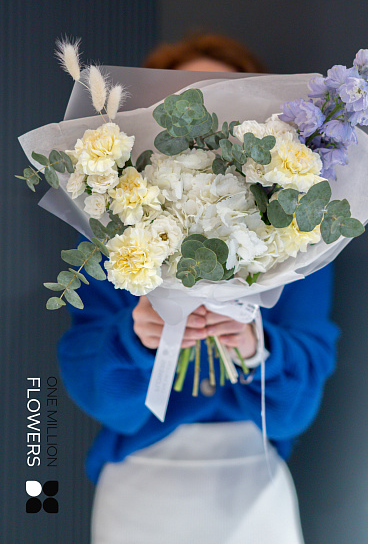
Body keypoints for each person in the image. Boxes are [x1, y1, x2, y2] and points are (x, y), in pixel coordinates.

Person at [58, 32, 340, 544]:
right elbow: (102, 398)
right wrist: (136, 340)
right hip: (139, 488)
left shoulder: (299, 232)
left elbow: (293, 413)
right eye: (185, 101)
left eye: (224, 100)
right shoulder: (111, 231)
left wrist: (257, 347)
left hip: (253, 488)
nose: (203, 120)